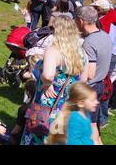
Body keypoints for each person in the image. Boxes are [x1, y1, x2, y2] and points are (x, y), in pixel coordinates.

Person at [21, 16, 88, 145]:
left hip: (47, 103)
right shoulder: (82, 53)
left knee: (38, 134)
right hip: (68, 104)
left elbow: (48, 75)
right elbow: (83, 80)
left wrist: (47, 83)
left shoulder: (54, 50)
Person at [75, 6, 112, 145]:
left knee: (87, 128)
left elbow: (89, 74)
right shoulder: (104, 35)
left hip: (90, 88)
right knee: (93, 124)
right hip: (101, 84)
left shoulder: (89, 43)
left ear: (80, 21)